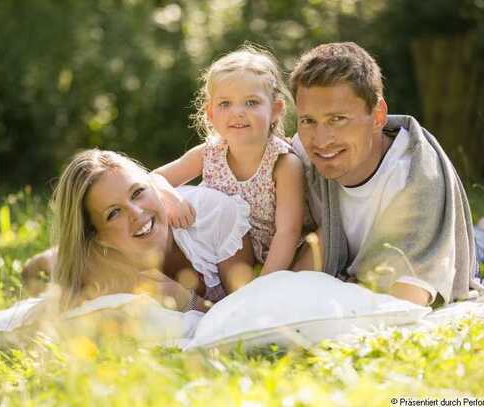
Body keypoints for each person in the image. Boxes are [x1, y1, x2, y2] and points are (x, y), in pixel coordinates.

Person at [289, 42, 483, 306]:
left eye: (337, 119)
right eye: (308, 120)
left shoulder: (414, 178)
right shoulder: (297, 158)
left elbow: (406, 301)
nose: (321, 141)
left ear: (378, 115)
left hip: (451, 245)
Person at [24, 149, 255, 312]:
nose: (136, 212)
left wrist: (187, 302)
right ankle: (48, 258)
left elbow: (242, 316)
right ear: (99, 237)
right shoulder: (103, 263)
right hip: (102, 256)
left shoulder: (213, 216)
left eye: (137, 192)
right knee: (55, 268)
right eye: (114, 213)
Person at [152, 44, 307, 276]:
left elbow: (288, 231)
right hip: (221, 259)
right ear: (211, 114)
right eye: (225, 104)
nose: (238, 112)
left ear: (275, 109)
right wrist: (170, 196)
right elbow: (152, 178)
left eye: (251, 102)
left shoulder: (283, 164)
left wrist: (262, 285)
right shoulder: (209, 154)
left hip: (275, 263)